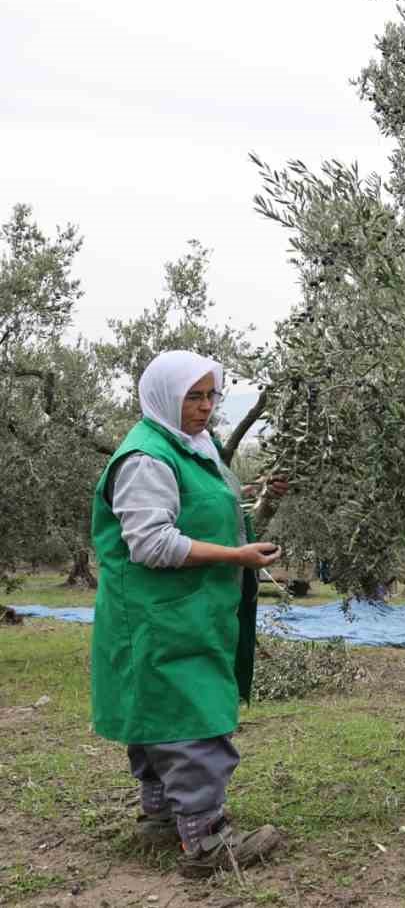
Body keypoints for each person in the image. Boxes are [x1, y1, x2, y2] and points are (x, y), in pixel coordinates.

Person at [89, 351, 288, 875]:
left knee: (162, 714)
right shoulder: (146, 457)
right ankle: (204, 843)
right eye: (192, 397)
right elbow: (151, 543)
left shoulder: (194, 447)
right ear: (163, 396)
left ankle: (162, 819)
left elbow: (213, 514)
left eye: (210, 395)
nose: (204, 408)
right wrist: (237, 559)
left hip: (188, 611)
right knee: (188, 719)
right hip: (159, 614)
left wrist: (259, 505)